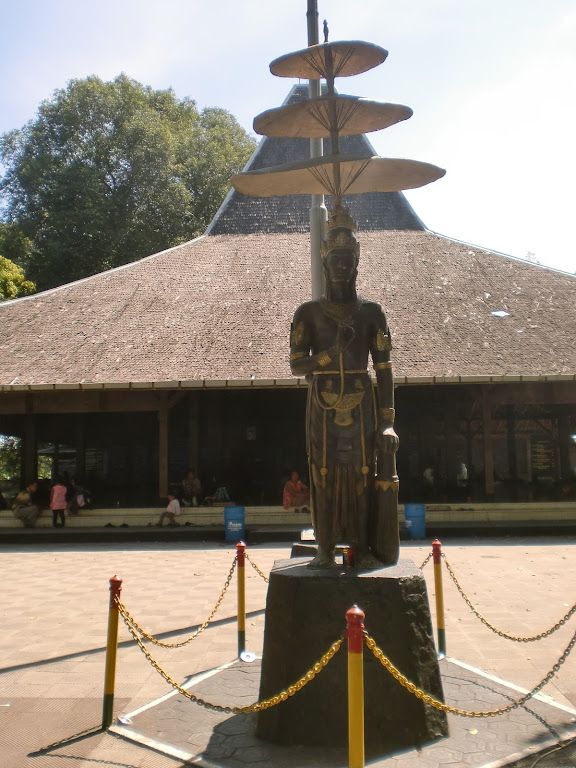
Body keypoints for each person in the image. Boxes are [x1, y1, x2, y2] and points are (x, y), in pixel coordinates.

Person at [289, 205, 399, 569]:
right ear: (325, 262)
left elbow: (383, 369)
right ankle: (324, 546)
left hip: (360, 398)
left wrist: (387, 420)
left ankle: (360, 545)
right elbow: (296, 365)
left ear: (356, 263)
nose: (341, 265)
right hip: (321, 401)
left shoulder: (372, 313)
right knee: (323, 471)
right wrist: (331, 353)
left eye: (347, 259)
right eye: (335, 258)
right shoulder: (307, 313)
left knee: (361, 471)